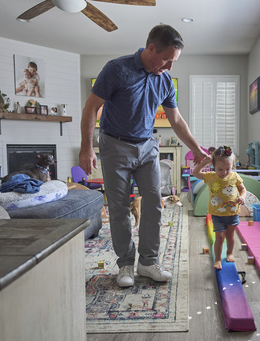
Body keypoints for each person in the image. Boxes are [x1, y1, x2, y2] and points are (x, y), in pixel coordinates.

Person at [79, 24, 208, 288]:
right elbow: (92, 107)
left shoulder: (164, 80)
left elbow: (176, 119)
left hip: (148, 146)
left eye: (174, 62)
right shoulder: (117, 69)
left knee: (154, 202)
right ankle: (125, 262)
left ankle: (148, 262)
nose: (170, 67)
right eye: (167, 60)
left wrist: (195, 148)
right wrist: (86, 147)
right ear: (151, 49)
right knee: (119, 207)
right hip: (114, 146)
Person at [192, 146, 247, 270]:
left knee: (230, 235)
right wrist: (205, 161)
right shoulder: (211, 176)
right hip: (217, 214)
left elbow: (242, 189)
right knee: (220, 237)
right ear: (214, 166)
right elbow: (195, 173)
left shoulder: (235, 176)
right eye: (220, 169)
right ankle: (217, 259)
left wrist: (242, 197)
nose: (224, 173)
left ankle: (229, 253)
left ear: (232, 165)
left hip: (232, 213)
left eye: (228, 169)